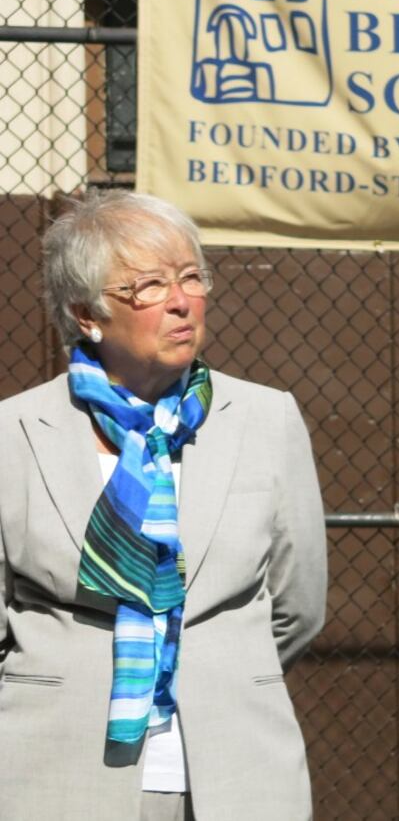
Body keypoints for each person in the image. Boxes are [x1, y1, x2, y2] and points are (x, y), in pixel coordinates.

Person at [0, 191, 327, 820]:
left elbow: (297, 607)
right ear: (87, 315)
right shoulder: (15, 433)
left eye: (190, 277)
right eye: (149, 286)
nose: (181, 301)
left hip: (238, 767)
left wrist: (216, 669)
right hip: (54, 770)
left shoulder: (265, 419)